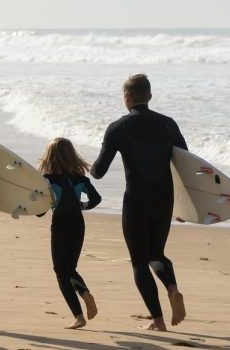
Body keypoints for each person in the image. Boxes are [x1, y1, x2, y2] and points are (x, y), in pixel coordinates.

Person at [90, 74, 187, 331]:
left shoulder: (119, 127)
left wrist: (89, 168)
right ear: (150, 96)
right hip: (164, 199)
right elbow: (185, 163)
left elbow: (99, 171)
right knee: (156, 253)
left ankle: (157, 320)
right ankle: (173, 288)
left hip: (136, 199)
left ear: (127, 97)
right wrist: (186, 203)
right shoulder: (169, 124)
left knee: (138, 261)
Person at [38, 137, 101, 329]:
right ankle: (85, 294)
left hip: (60, 224)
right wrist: (81, 205)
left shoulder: (47, 180)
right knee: (70, 268)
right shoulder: (81, 179)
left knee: (61, 272)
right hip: (78, 223)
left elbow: (40, 211)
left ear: (50, 157)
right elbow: (96, 199)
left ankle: (79, 315)